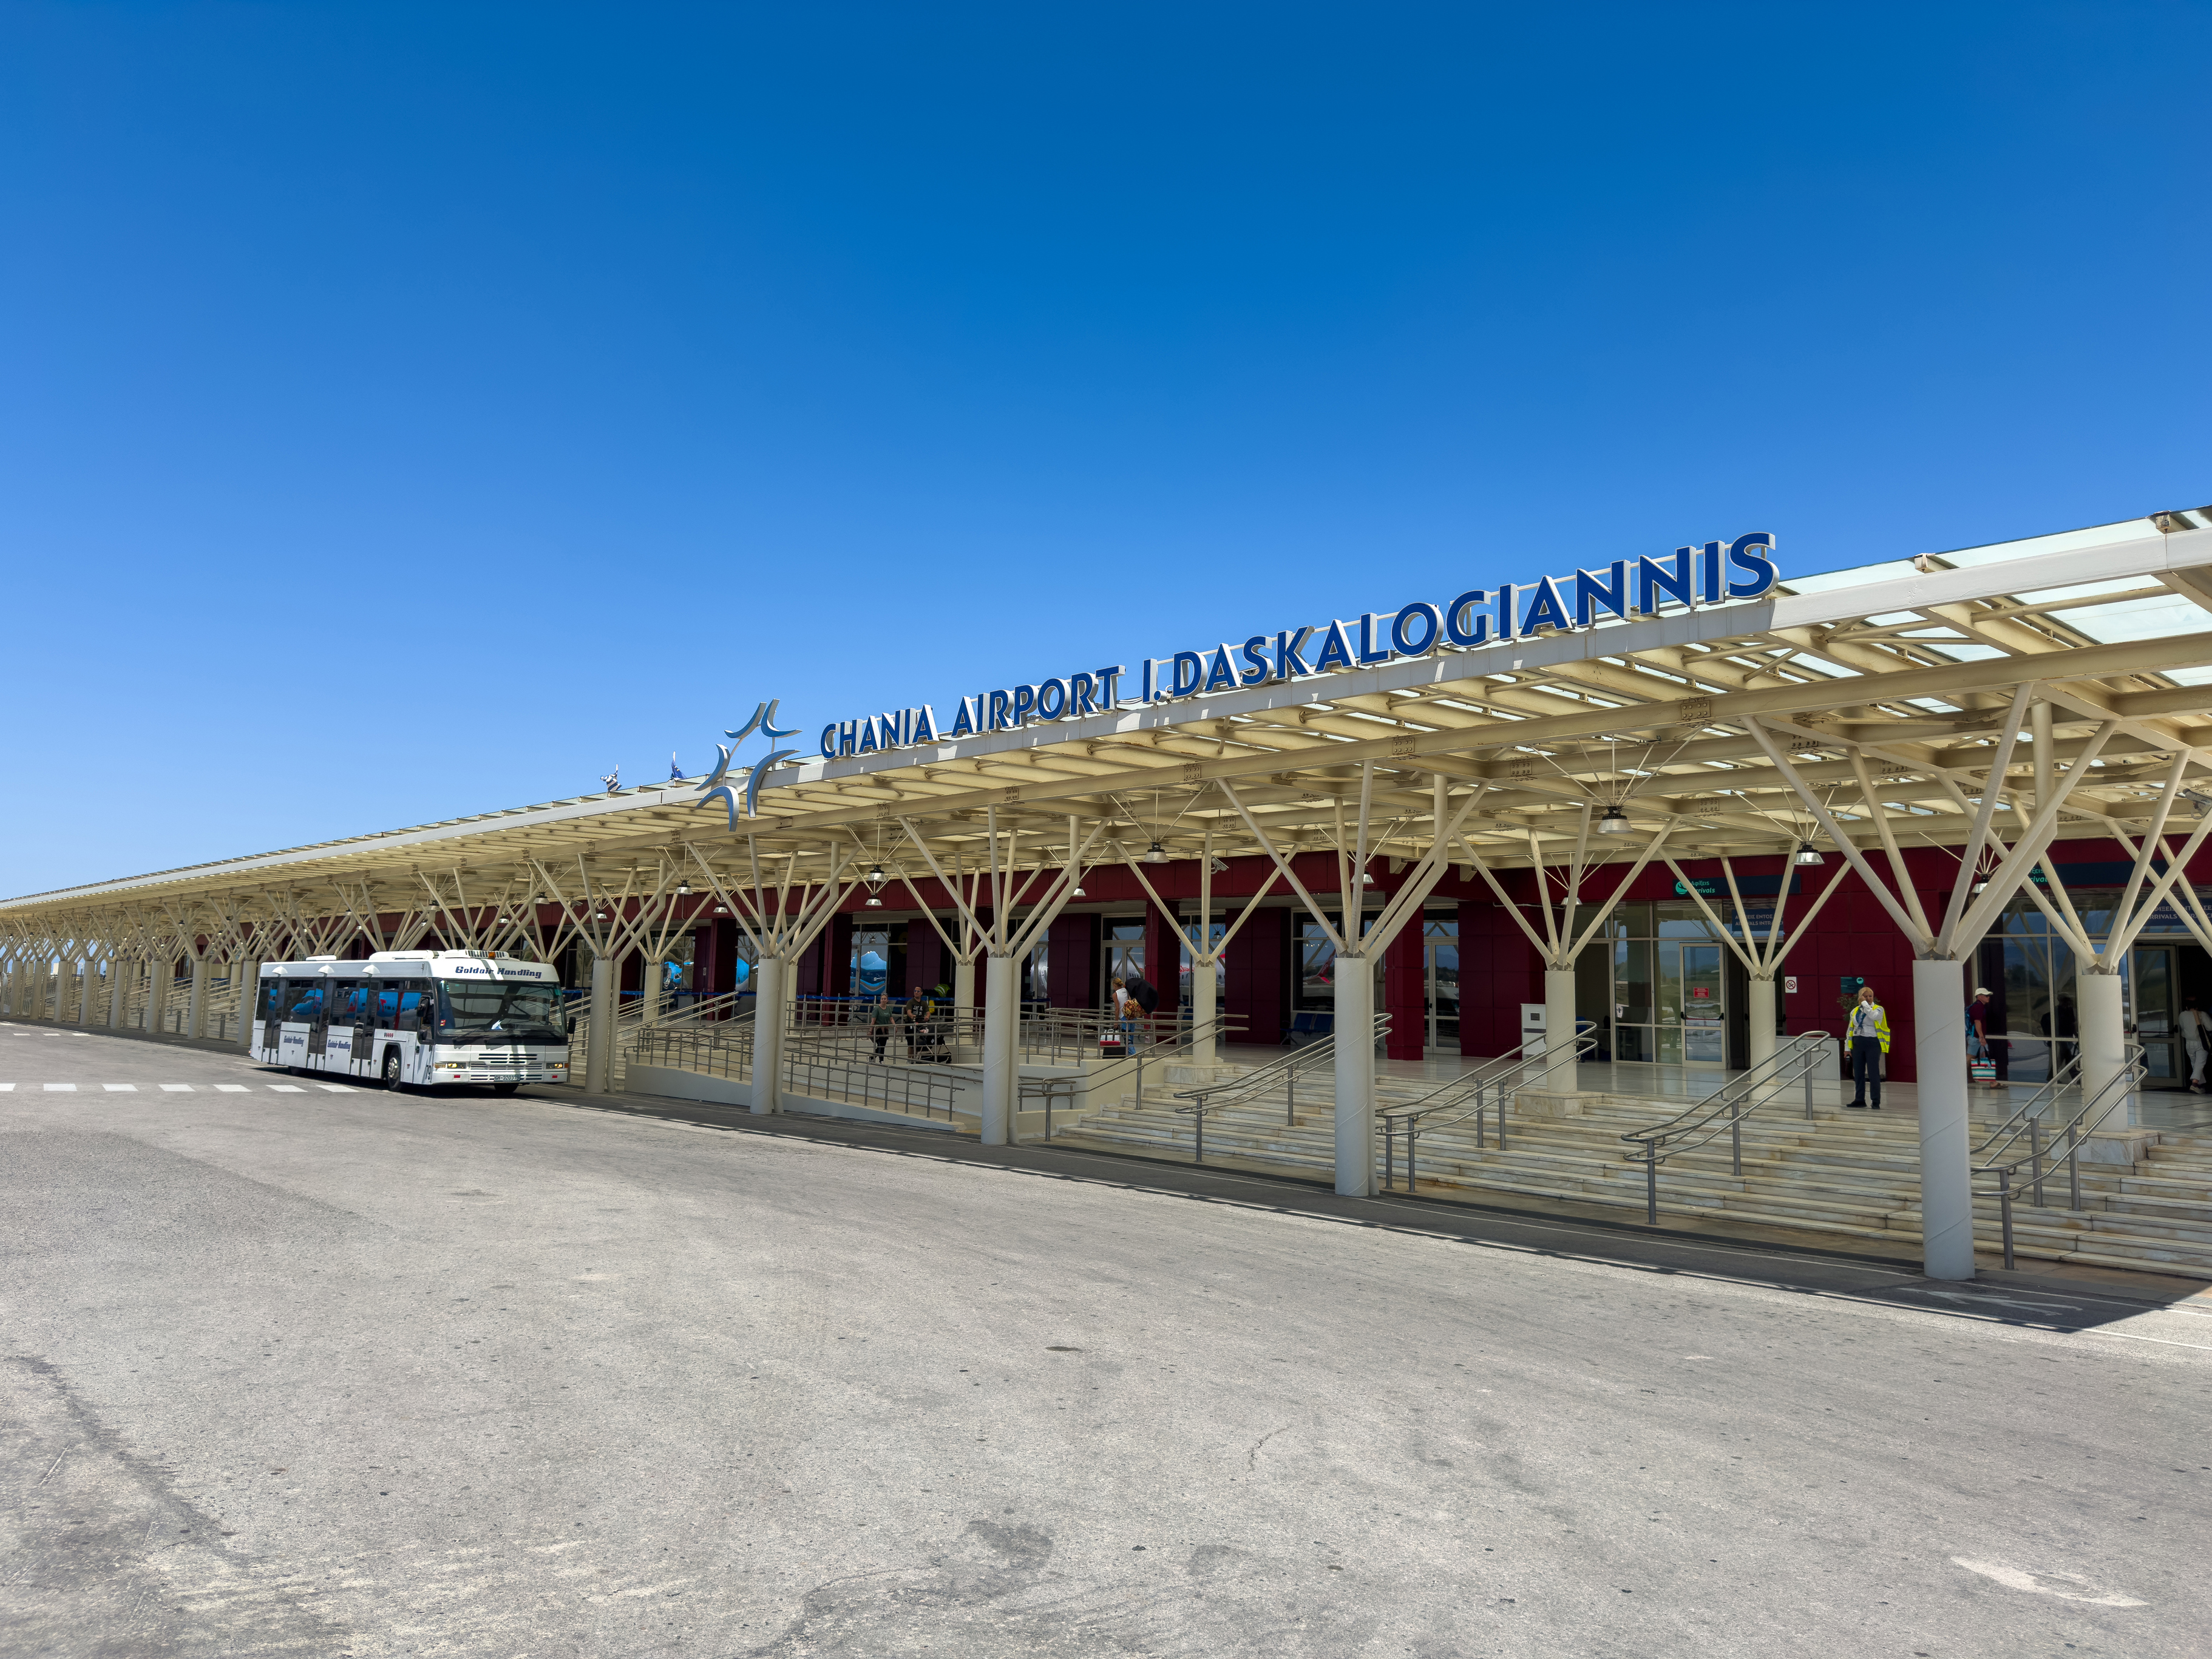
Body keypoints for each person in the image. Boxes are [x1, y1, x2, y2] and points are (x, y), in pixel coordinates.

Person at [1845, 985, 1890, 1110]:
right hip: (1858, 1042)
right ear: (1860, 997)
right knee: (1858, 1073)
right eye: (1865, 996)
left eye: (1870, 996)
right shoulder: (1854, 1011)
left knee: (1873, 1073)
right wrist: (1847, 1048)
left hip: (1873, 1042)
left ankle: (1876, 1101)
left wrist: (1865, 1005)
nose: (1869, 998)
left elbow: (1874, 1016)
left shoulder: (1878, 1009)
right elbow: (1850, 1029)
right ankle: (1859, 1099)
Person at [1967, 986, 2002, 1090]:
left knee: (1984, 1057)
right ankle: (1957, 1078)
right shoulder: (1978, 1007)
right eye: (1986, 996)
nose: (1988, 998)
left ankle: (1993, 1082)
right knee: (1970, 1058)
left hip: (1976, 1037)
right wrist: (1981, 1037)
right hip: (1976, 1038)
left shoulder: (1977, 1007)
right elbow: (1977, 1022)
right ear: (1980, 997)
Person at [2183, 994, 2212, 1093]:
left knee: (2194, 1064)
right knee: (2200, 1064)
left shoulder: (2182, 1015)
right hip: (2201, 1042)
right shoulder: (2202, 1014)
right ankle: (2195, 1083)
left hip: (2188, 1043)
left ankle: (2200, 1085)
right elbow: (2210, 1027)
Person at [867, 990, 894, 1060]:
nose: (883, 1000)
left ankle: (872, 1057)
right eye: (882, 999)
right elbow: (873, 1021)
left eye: (885, 999)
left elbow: (891, 1018)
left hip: (885, 1029)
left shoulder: (888, 1009)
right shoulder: (877, 1009)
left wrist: (895, 1026)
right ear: (880, 1000)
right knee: (880, 1045)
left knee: (882, 1045)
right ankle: (881, 1060)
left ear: (887, 1000)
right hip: (878, 1029)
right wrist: (870, 1031)